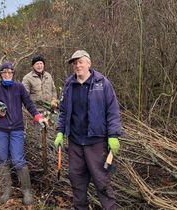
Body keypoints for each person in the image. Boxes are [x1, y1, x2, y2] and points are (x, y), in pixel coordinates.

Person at [54, 50, 122, 210]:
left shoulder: (102, 83)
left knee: (102, 182)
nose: (77, 66)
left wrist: (113, 135)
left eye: (80, 62)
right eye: (75, 63)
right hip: (75, 142)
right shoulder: (69, 85)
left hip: (96, 142)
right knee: (76, 181)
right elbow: (63, 111)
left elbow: (113, 111)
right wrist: (60, 131)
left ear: (88, 63)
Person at [0, 62, 48, 205]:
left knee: (18, 160)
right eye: (4, 72)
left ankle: (27, 191)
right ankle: (7, 190)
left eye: (9, 72)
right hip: (0, 130)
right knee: (2, 159)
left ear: (13, 74)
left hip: (16, 129)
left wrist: (38, 117)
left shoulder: (19, 87)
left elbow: (29, 104)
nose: (7, 74)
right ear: (0, 74)